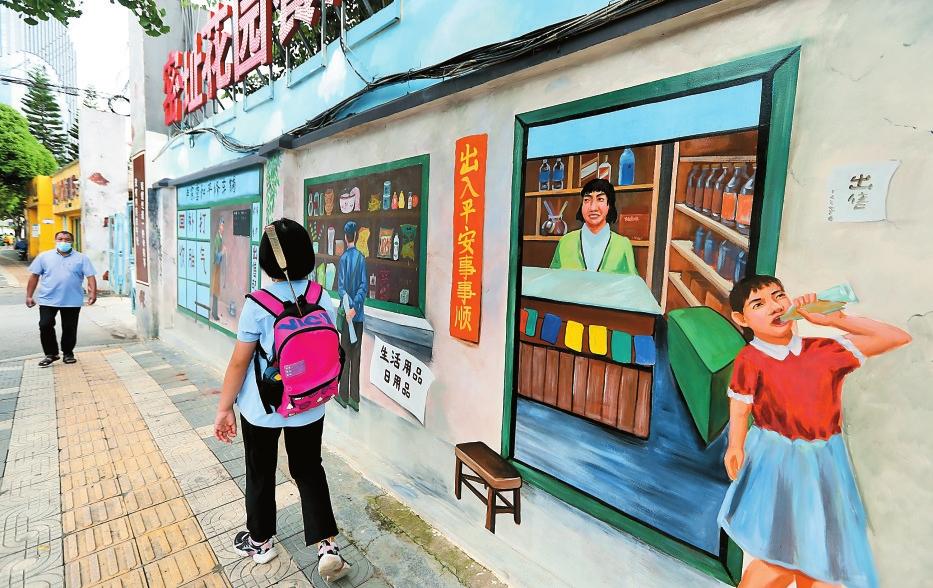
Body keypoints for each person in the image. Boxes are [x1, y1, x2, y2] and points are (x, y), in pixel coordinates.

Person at [718, 275, 911, 588]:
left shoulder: (824, 350)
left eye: (779, 296)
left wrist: (835, 319)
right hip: (778, 464)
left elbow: (895, 337)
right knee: (780, 555)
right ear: (741, 319)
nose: (774, 307)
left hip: (825, 464)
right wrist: (735, 446)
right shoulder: (750, 358)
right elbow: (740, 408)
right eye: (759, 304)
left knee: (820, 555)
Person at [213, 218, 350, 581]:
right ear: (307, 256)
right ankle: (327, 546)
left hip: (263, 408)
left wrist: (224, 407)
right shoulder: (322, 296)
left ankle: (260, 542)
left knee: (260, 472)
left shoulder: (257, 304)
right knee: (309, 468)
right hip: (310, 404)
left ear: (266, 261)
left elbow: (240, 362)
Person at [25, 230, 97, 367]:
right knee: (45, 325)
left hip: (72, 300)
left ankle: (68, 353)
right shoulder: (44, 257)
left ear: (72, 242)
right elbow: (34, 276)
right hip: (48, 298)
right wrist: (29, 295)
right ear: (55, 240)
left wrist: (93, 293)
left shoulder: (82, 258)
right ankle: (51, 354)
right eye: (60, 239)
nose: (63, 242)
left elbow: (90, 276)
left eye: (67, 239)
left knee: (69, 328)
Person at [549, 178, 638, 274]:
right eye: (587, 200)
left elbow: (632, 281)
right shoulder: (566, 241)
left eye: (600, 199)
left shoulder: (622, 244)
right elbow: (552, 278)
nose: (593, 208)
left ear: (609, 205)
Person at [336, 221, 367, 412]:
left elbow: (340, 289)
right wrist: (356, 307)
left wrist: (349, 308)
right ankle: (355, 399)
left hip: (347, 316)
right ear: (355, 235)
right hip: (358, 316)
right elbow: (363, 287)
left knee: (345, 355)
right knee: (356, 356)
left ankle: (343, 396)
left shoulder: (343, 259)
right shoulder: (361, 259)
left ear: (346, 236)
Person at [211, 216, 226, 320]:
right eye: (221, 225)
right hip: (215, 267)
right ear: (218, 226)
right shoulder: (217, 238)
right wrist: (222, 252)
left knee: (216, 290)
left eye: (223, 225)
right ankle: (214, 313)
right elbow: (216, 255)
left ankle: (214, 312)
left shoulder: (220, 237)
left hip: (218, 267)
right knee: (215, 290)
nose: (222, 228)